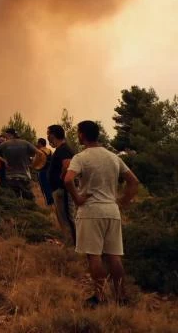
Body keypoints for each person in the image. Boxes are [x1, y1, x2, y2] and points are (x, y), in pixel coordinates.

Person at [64, 120, 140, 307]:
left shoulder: (81, 157)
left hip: (91, 211)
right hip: (111, 210)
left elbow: (68, 179)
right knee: (114, 255)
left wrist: (77, 198)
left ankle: (100, 296)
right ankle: (121, 296)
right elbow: (134, 182)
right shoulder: (113, 157)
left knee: (94, 255)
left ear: (82, 135)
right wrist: (122, 202)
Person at [47, 124, 77, 246]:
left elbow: (67, 164)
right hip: (59, 190)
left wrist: (61, 177)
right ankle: (69, 242)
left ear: (53, 135)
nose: (47, 137)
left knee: (67, 218)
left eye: (48, 134)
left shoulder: (63, 149)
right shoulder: (61, 149)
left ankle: (74, 244)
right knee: (63, 218)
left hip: (63, 190)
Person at [0, 127, 37, 200]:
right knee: (28, 199)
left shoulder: (5, 144)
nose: (6, 138)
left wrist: (4, 160)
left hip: (10, 176)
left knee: (13, 199)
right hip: (25, 175)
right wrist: (33, 165)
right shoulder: (25, 143)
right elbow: (39, 153)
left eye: (6, 136)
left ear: (9, 135)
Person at [34, 138, 54, 206]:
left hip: (42, 171)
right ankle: (52, 201)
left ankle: (48, 203)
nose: (37, 144)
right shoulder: (50, 151)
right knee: (50, 186)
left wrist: (31, 165)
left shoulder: (39, 152)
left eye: (38, 143)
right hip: (50, 171)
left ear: (40, 143)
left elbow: (35, 162)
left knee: (44, 187)